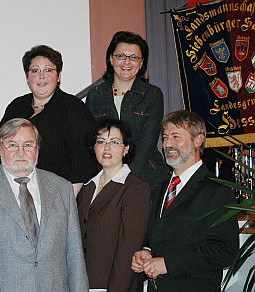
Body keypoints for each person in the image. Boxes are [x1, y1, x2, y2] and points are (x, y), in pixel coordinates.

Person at [0, 118, 88, 291]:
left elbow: (75, 257)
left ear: (37, 149)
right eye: (12, 145)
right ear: (0, 149)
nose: (21, 152)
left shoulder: (62, 189)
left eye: (28, 145)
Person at [131, 110, 239, 292]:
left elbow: (224, 251)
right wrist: (146, 251)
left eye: (176, 136)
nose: (167, 144)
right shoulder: (159, 188)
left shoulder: (217, 191)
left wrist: (168, 264)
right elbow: (157, 236)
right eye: (164, 137)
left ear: (198, 140)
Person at [0, 45, 97, 193]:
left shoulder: (73, 108)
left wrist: (67, 200)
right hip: (14, 191)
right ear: (27, 77)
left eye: (48, 70)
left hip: (57, 194)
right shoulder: (16, 106)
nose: (41, 76)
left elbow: (82, 162)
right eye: (35, 70)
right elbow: (0, 146)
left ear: (59, 76)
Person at [85, 31, 168, 197]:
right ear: (111, 59)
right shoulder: (95, 94)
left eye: (134, 57)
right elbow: (92, 139)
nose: (127, 62)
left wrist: (124, 179)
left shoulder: (152, 94)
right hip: (105, 177)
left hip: (145, 179)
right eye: (121, 55)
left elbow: (147, 143)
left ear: (142, 62)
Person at [77, 118, 151, 292]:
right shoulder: (87, 188)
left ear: (126, 149)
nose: (107, 147)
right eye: (101, 141)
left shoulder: (136, 189)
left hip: (114, 285)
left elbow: (129, 249)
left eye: (115, 142)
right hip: (83, 283)